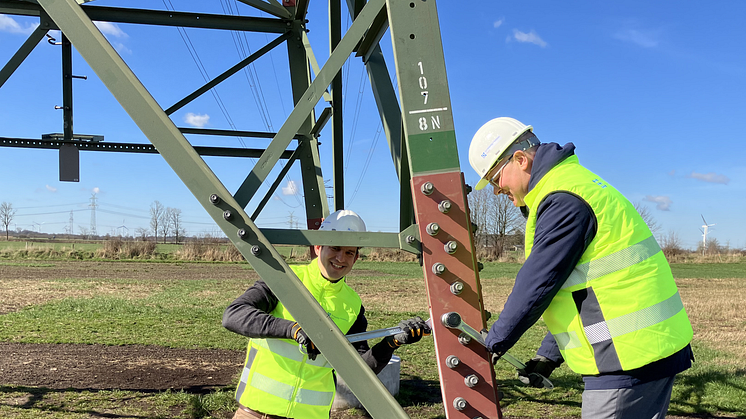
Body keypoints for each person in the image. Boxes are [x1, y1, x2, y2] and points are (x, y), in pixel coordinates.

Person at [468, 117, 694, 418]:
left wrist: (491, 344)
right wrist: (549, 355)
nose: (500, 192)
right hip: (643, 351)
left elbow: (537, 284)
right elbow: (577, 288)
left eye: (497, 181)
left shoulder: (563, 200)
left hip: (627, 361)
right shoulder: (573, 185)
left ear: (520, 160)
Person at [222, 209, 430, 419]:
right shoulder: (285, 279)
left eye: (349, 252)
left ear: (356, 257)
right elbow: (234, 315)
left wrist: (391, 343)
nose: (341, 258)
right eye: (335, 247)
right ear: (318, 246)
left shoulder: (353, 304)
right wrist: (293, 330)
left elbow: (359, 372)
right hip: (257, 413)